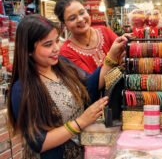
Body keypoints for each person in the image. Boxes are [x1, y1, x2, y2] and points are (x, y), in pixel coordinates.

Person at [7, 14, 128, 158]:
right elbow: (38, 142)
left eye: (57, 40)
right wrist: (81, 122)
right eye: (48, 45)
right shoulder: (22, 89)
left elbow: (90, 85)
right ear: (29, 51)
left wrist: (112, 56)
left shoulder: (61, 65)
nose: (56, 48)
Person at [54, 0, 120, 74]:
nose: (80, 19)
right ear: (64, 24)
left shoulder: (105, 31)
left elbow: (124, 55)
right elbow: (90, 82)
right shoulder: (67, 52)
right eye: (72, 18)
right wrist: (112, 57)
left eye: (82, 13)